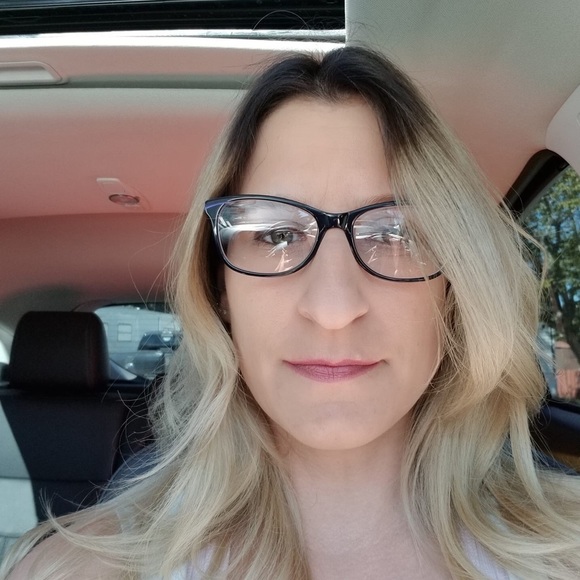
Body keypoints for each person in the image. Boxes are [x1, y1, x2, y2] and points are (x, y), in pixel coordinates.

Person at [3, 45, 580, 580]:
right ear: (219, 288)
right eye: (275, 234)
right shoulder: (73, 569)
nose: (333, 309)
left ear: (453, 289)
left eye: (397, 234)